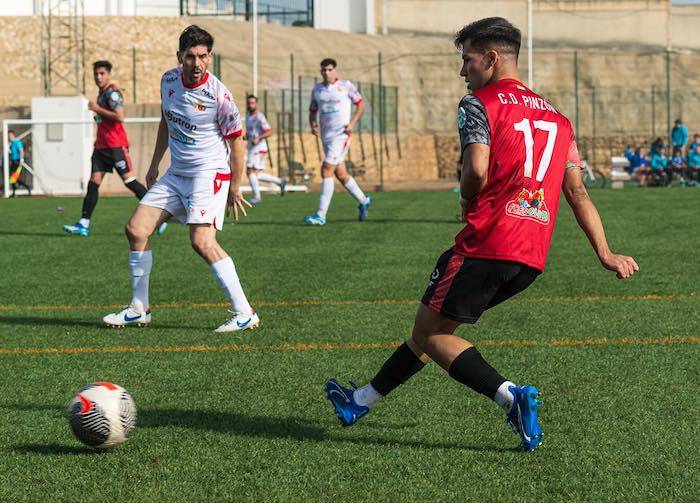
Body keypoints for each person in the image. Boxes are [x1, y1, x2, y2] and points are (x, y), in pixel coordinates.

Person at [324, 17, 638, 452]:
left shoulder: (479, 104)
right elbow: (577, 190)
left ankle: (509, 396)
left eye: (467, 59)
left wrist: (469, 198)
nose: (462, 70)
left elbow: (475, 169)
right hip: (530, 257)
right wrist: (605, 251)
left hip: (488, 242)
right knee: (432, 332)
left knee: (431, 333)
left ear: (491, 58)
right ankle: (359, 402)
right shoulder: (559, 119)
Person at [103, 25, 258, 332]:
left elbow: (237, 141)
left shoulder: (220, 96)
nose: (197, 63)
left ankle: (245, 312)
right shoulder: (168, 80)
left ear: (210, 57)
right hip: (177, 173)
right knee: (136, 229)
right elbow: (166, 119)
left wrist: (235, 186)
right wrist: (154, 163)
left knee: (202, 241)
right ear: (180, 57)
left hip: (208, 173)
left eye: (203, 56)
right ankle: (139, 308)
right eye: (190, 56)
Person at [63, 61, 166, 237]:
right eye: (96, 74)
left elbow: (119, 117)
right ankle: (83, 223)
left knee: (130, 182)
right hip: (101, 146)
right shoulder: (102, 93)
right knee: (93, 183)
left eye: (102, 73)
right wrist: (98, 116)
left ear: (109, 74)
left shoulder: (112, 93)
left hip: (115, 146)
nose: (98, 77)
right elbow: (107, 118)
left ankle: (159, 215)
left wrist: (97, 109)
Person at [304, 58, 371, 225]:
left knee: (326, 169)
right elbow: (313, 110)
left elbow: (361, 104)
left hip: (341, 134)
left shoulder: (346, 86)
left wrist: (353, 124)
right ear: (320, 72)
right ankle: (363, 201)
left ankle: (320, 215)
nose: (326, 72)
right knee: (340, 174)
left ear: (335, 70)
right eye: (324, 70)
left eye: (329, 69)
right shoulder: (317, 90)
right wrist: (313, 124)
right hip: (326, 136)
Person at [245, 95, 286, 204]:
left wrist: (258, 138)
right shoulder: (248, 116)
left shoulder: (259, 117)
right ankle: (280, 181)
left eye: (253, 103)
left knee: (250, 172)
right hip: (252, 147)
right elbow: (251, 133)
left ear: (256, 104)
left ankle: (257, 197)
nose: (250, 105)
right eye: (249, 103)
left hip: (258, 148)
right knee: (255, 174)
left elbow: (269, 131)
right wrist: (246, 136)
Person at [7, 130, 31, 197]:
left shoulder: (17, 142)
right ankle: (15, 192)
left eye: (10, 136)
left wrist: (21, 159)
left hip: (17, 161)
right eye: (9, 136)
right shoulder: (11, 143)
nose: (9, 137)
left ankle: (27, 187)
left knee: (14, 177)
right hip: (13, 162)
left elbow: (21, 150)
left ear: (13, 135)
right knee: (13, 178)